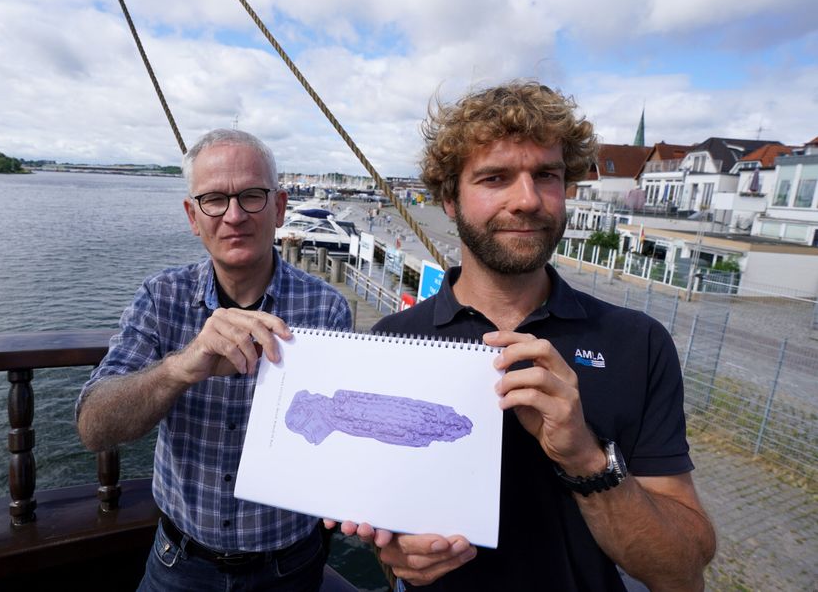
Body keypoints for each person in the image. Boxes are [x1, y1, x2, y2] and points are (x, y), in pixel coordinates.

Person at [330, 81, 716, 590]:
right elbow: (382, 527)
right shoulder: (394, 340)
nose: (528, 200)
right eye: (495, 178)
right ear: (449, 198)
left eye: (547, 176)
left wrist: (584, 456)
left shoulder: (638, 343)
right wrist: (396, 553)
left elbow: (681, 570)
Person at [76, 128, 353, 591]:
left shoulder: (326, 308)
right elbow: (93, 427)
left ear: (280, 207)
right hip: (181, 563)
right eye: (214, 200)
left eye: (252, 196)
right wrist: (181, 368)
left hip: (290, 564)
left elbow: (342, 441)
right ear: (192, 215)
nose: (234, 215)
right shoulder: (162, 297)